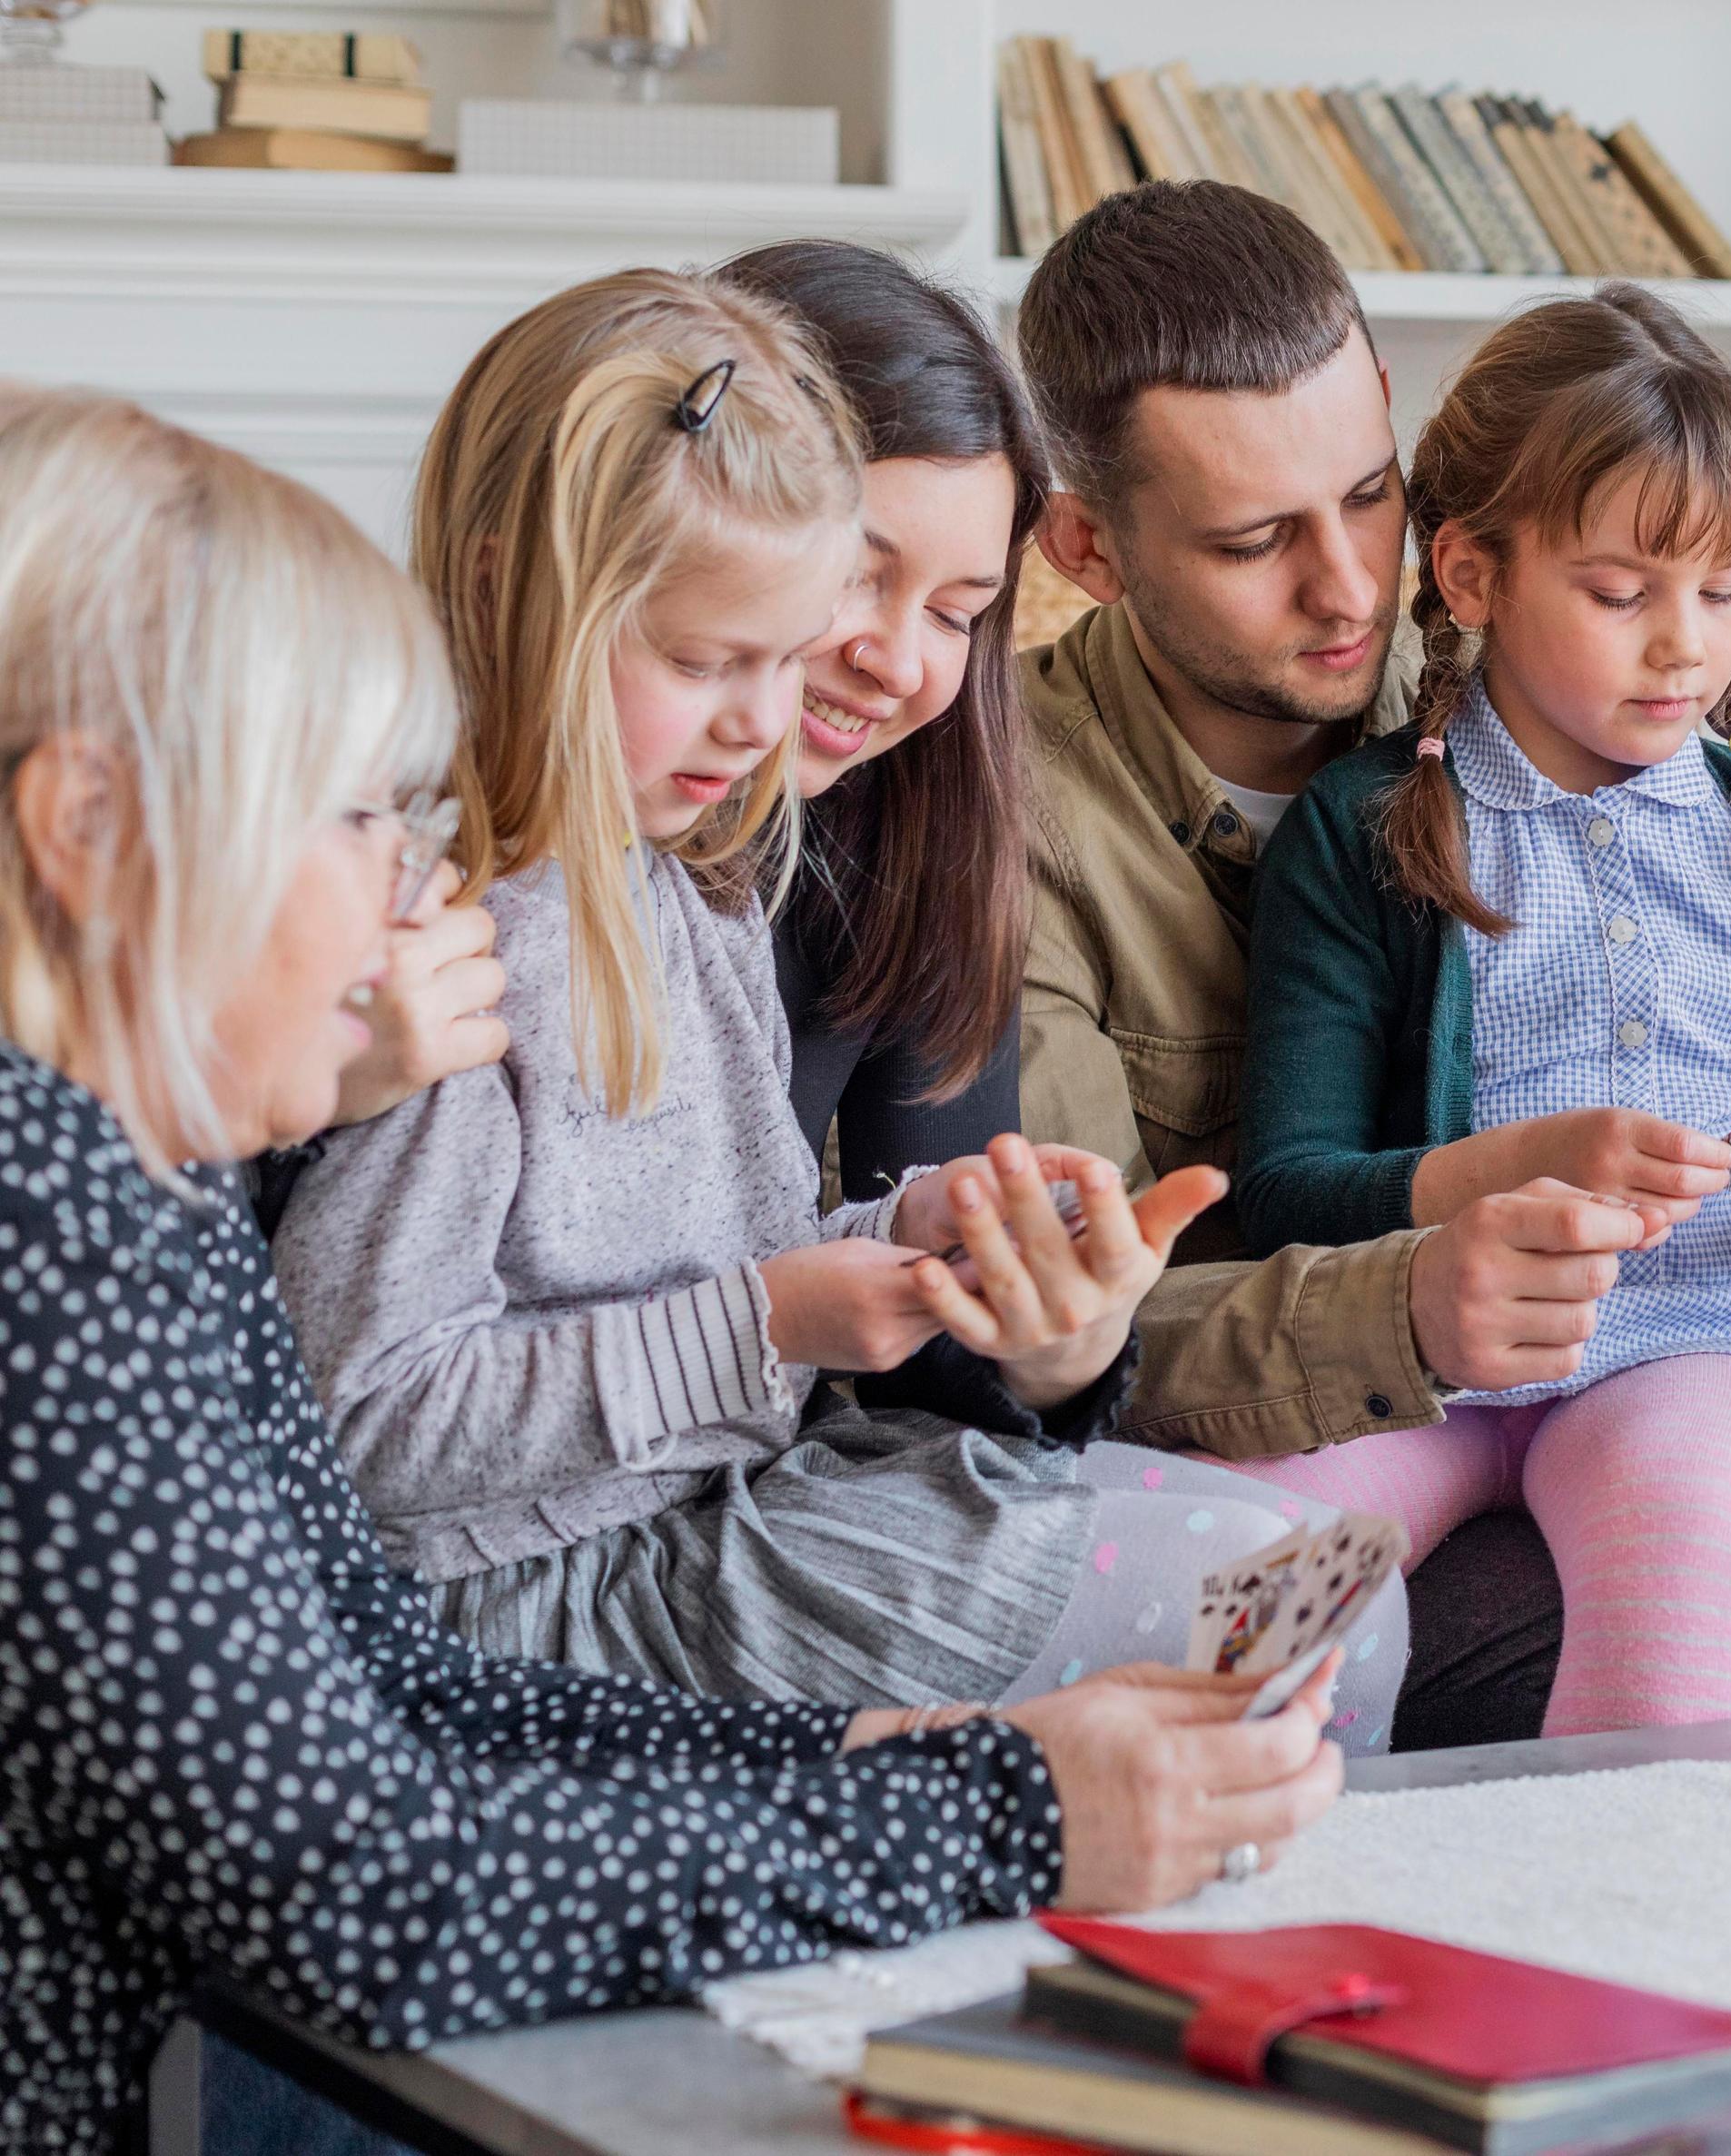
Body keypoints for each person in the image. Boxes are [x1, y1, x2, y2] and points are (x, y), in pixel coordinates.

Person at [0, 385, 1342, 2156]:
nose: (412, 889)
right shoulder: (52, 1240)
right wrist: (998, 1808)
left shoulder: (127, 1193)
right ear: (86, 826)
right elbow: (368, 1891)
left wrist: (870, 1754)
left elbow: (406, 1683)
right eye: (348, 819)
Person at [1009, 180, 1731, 1738]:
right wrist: (1424, 1284)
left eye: (1370, 498)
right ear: (1088, 546)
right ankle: (1213, 1897)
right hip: (1358, 1383)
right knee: (1271, 1574)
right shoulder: (1021, 827)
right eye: (1251, 540)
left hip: (1700, 1360)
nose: (1355, 589)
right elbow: (1075, 1335)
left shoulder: (1716, 799)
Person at [263, 266, 1407, 1746]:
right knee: (1298, 1623)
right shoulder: (448, 951)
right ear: (521, 593)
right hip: (538, 1584)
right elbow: (366, 1429)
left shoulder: (696, 880)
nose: (763, 712)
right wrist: (776, 1314)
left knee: (1328, 1597)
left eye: (964, 610)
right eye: (709, 656)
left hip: (713, 1506)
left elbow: (722, 1261)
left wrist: (905, 1236)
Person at [1220, 286, 1731, 1733]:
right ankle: (1239, 1925)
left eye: (1724, 592)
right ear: (1472, 574)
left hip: (1714, 1344)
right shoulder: (1368, 830)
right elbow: (1285, 1184)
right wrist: (1496, 1179)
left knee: (1679, 1525)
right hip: (1428, 1354)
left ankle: (1631, 1944)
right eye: (1623, 594)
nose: (1685, 645)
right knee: (1241, 1575)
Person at [709, 239, 1042, 1193]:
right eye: (857, 574)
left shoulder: (906, 837)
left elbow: (946, 1289)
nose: (895, 663)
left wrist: (1060, 1328)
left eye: (954, 614)